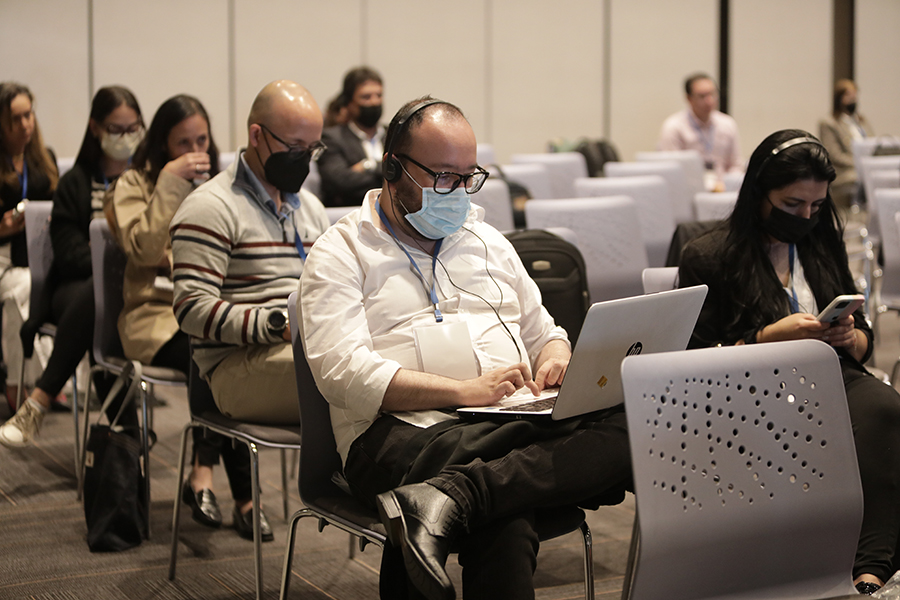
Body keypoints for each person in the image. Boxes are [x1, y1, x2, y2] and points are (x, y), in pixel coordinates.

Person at [299, 96, 633, 600]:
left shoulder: (488, 241)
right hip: (398, 433)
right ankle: (461, 494)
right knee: (508, 512)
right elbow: (342, 373)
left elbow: (545, 332)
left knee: (635, 420)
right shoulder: (341, 251)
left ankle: (447, 499)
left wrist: (556, 359)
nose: (456, 192)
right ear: (392, 168)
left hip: (508, 418)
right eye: (442, 177)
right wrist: (462, 392)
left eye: (467, 177)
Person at [678, 129, 900, 596]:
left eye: (816, 206)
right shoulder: (710, 255)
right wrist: (766, 337)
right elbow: (691, 364)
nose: (805, 216)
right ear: (759, 194)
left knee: (885, 408)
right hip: (748, 389)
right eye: (792, 204)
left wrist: (850, 336)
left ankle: (869, 570)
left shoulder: (819, 240)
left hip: (827, 372)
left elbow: (865, 343)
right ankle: (848, 565)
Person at [111, 95, 264, 542]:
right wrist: (170, 183)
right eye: (183, 143)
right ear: (162, 144)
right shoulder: (133, 185)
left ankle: (206, 474)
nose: (195, 151)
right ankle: (237, 492)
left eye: (201, 140)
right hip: (155, 316)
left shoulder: (223, 187)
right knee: (208, 352)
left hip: (211, 308)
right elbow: (144, 251)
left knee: (229, 349)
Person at [170, 80, 330, 428]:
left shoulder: (310, 209)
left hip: (302, 349)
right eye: (295, 147)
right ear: (256, 135)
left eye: (312, 149)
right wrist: (279, 325)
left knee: (385, 367)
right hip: (238, 365)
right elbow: (191, 309)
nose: (304, 159)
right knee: (354, 382)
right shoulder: (211, 207)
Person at [0, 86, 144, 448]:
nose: (125, 138)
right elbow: (68, 255)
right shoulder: (75, 183)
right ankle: (128, 437)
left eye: (132, 129)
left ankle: (42, 401)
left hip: (134, 291)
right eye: (115, 129)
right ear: (95, 128)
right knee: (100, 299)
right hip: (75, 288)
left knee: (104, 309)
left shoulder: (146, 181)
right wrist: (114, 261)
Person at [0, 82, 57, 411]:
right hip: (4, 258)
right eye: (15, 119)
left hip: (39, 253)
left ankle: (22, 381)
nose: (25, 125)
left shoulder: (43, 159)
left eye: (29, 115)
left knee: (26, 290)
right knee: (21, 289)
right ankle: (37, 380)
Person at [658, 73, 743, 190]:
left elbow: (736, 164)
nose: (709, 101)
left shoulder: (727, 124)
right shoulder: (674, 127)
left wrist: (728, 184)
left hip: (723, 190)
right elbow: (671, 170)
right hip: (688, 191)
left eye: (712, 94)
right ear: (689, 98)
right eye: (702, 96)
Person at [317, 66, 385, 206]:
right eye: (366, 97)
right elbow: (340, 182)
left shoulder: (396, 134)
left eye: (379, 96)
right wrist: (387, 177)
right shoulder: (332, 138)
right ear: (349, 102)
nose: (374, 102)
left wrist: (368, 166)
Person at [818, 79, 875, 212]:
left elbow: (872, 144)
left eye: (855, 94)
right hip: (844, 171)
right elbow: (834, 155)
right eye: (849, 95)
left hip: (865, 167)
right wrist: (860, 164)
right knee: (861, 177)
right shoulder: (829, 123)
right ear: (839, 98)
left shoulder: (861, 121)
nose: (853, 98)